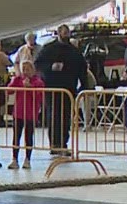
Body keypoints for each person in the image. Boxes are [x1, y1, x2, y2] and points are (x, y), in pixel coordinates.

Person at [37, 25, 94, 155]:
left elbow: (82, 70)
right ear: (58, 33)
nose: (66, 35)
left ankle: (63, 143)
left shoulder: (74, 51)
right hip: (52, 88)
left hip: (69, 88)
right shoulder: (48, 49)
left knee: (66, 117)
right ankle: (54, 144)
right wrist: (50, 67)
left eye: (68, 33)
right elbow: (38, 65)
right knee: (54, 116)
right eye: (64, 33)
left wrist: (84, 87)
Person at [7, 59, 46, 168]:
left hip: (30, 113)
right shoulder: (18, 80)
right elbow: (9, 90)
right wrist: (14, 81)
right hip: (18, 113)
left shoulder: (38, 82)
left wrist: (30, 88)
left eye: (28, 69)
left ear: (33, 70)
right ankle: (14, 159)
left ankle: (27, 159)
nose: (25, 71)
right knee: (16, 136)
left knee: (28, 137)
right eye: (23, 69)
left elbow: (39, 97)